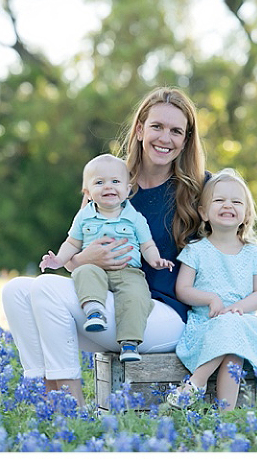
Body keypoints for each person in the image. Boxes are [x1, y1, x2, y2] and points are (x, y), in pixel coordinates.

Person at [1, 87, 209, 409]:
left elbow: (235, 239)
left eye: (176, 131)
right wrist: (84, 258)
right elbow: (76, 255)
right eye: (157, 127)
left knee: (45, 287)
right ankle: (47, 397)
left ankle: (72, 412)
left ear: (185, 139)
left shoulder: (199, 187)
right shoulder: (108, 179)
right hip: (106, 305)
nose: (164, 138)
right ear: (140, 129)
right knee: (16, 290)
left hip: (162, 317)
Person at [39, 153, 174, 364]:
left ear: (128, 189)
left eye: (115, 182)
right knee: (84, 271)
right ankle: (94, 310)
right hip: (95, 269)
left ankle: (129, 342)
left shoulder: (135, 218)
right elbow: (72, 243)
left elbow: (147, 244)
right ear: (88, 192)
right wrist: (57, 260)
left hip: (128, 271)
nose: (108, 187)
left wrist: (156, 260)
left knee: (136, 294)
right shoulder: (84, 216)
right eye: (99, 182)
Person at [168, 168, 257, 411]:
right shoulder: (196, 250)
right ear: (204, 213)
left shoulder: (254, 252)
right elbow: (182, 289)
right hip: (205, 323)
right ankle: (200, 386)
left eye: (236, 202)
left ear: (246, 214)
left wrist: (238, 308)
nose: (228, 205)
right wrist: (210, 298)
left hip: (241, 322)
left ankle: (220, 409)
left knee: (233, 348)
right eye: (219, 200)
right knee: (230, 338)